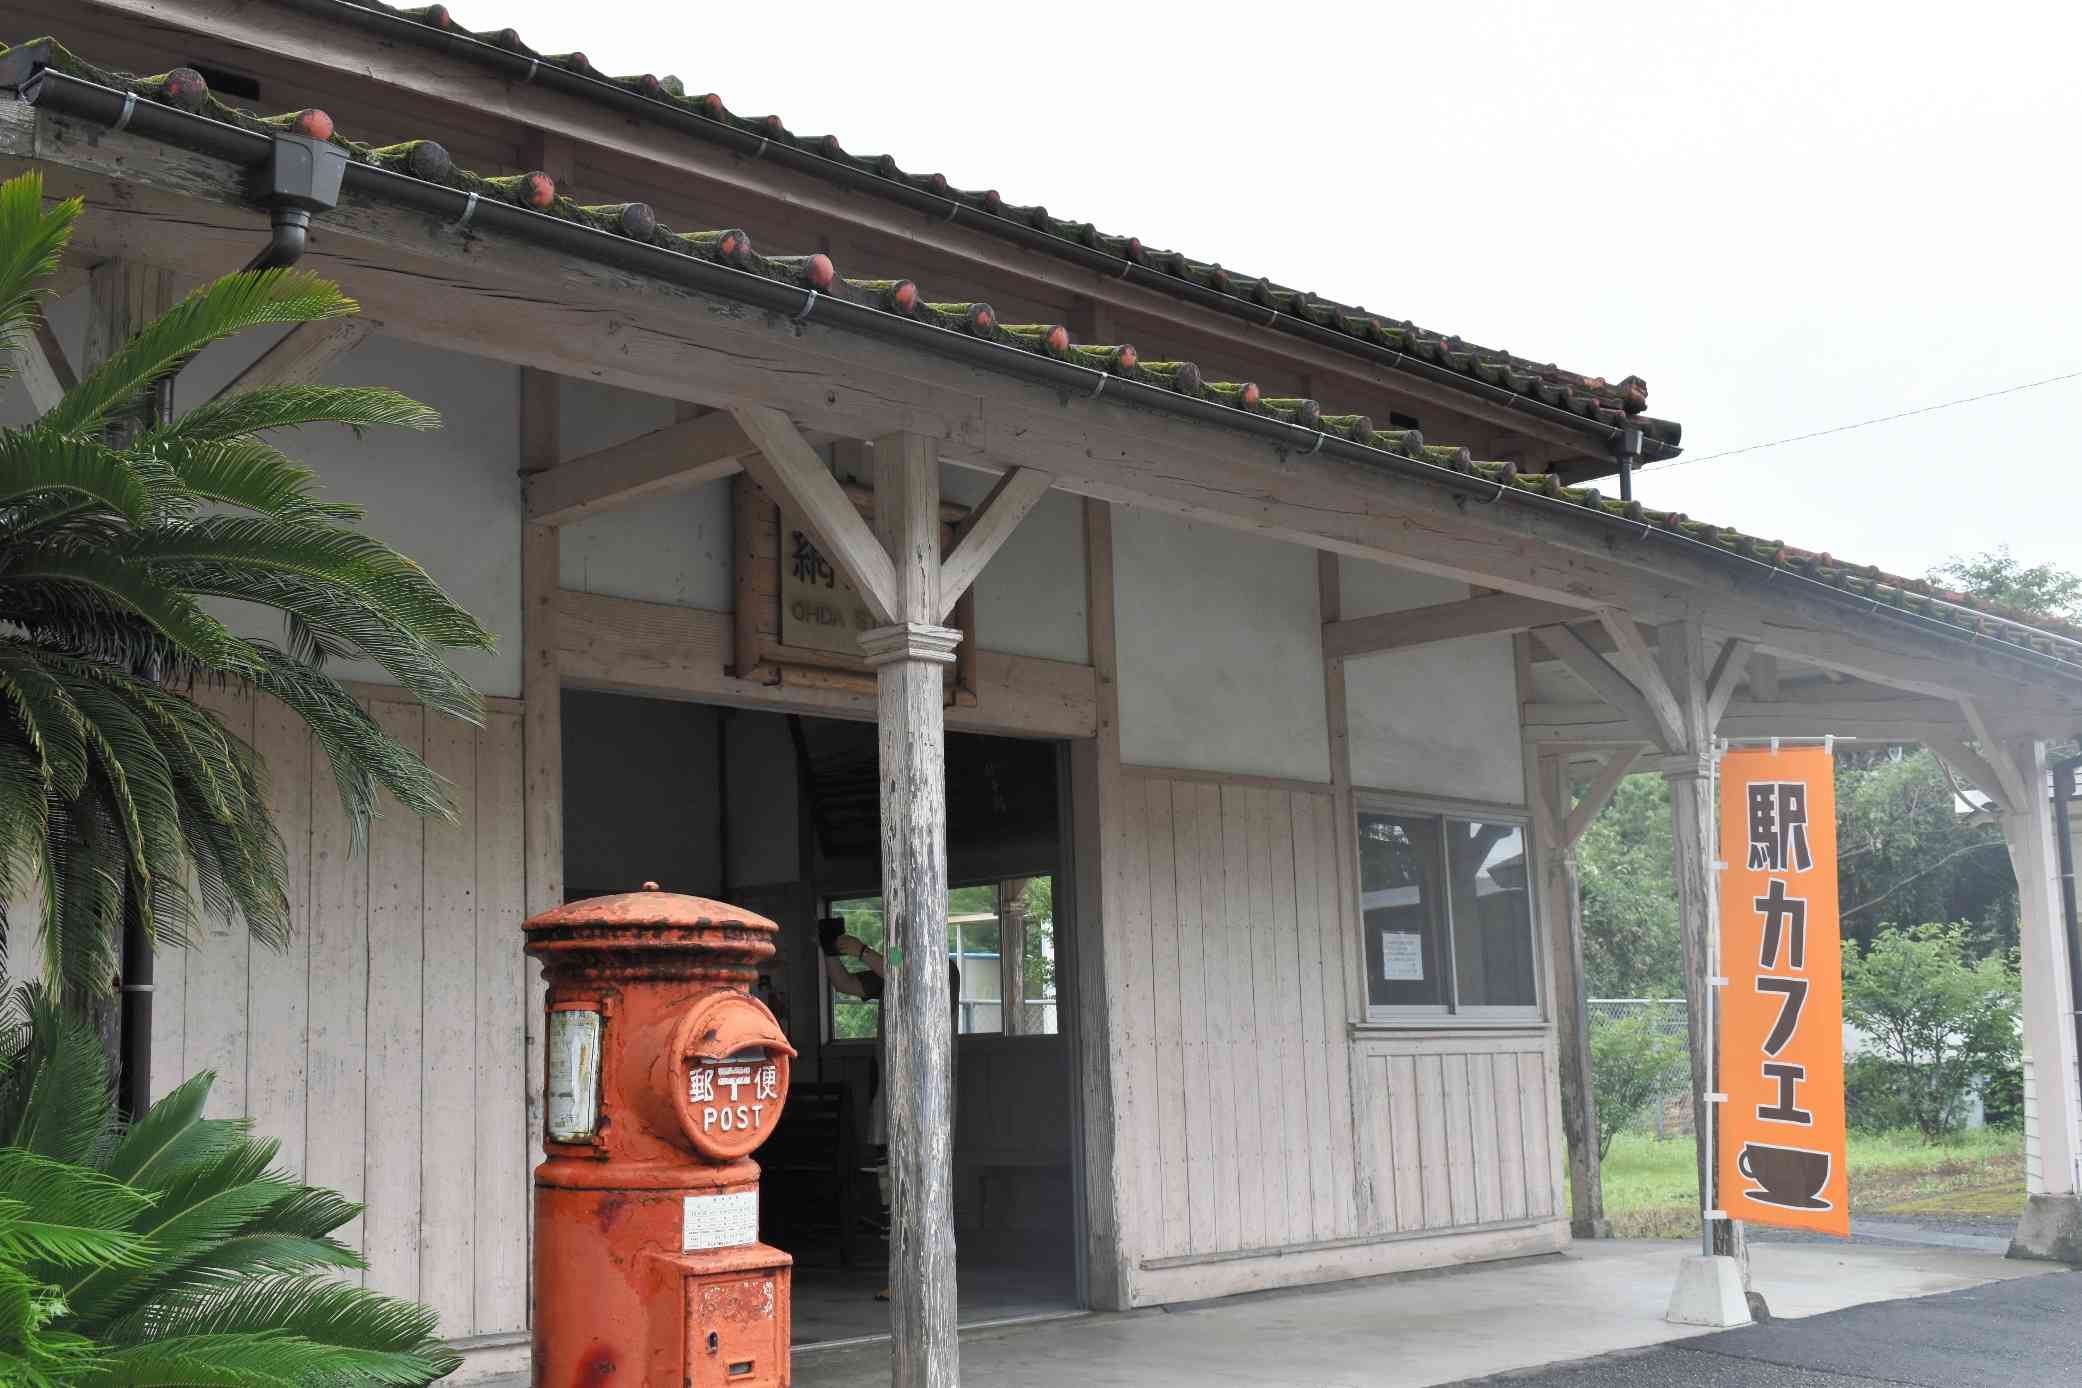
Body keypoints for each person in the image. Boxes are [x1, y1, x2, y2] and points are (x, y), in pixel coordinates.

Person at [819, 915, 961, 1301]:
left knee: (921, 1187)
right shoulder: (894, 965)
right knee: (890, 1190)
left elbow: (905, 978)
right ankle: (900, 1275)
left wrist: (863, 951)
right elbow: (845, 984)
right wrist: (830, 949)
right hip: (890, 1094)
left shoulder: (942, 968)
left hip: (925, 1098)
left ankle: (928, 1275)